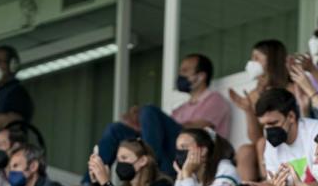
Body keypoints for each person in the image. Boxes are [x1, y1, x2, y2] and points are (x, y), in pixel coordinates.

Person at [93, 53, 231, 177]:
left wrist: (152, 120)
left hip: (190, 156)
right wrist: (138, 125)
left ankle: (149, 169)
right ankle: (91, 184)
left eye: (185, 71)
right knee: (116, 129)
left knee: (149, 111)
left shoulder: (215, 100)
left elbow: (197, 132)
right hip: (166, 157)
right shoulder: (181, 109)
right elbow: (158, 135)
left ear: (201, 76)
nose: (180, 75)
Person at [244, 88, 318, 186]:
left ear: (291, 116)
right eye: (264, 125)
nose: (268, 129)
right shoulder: (271, 146)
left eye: (273, 123)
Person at [228, 40, 293, 182]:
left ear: (272, 60)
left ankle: (268, 184)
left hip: (288, 139)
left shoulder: (291, 88)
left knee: (262, 143)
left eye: (257, 58)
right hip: (264, 145)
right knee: (245, 150)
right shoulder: (253, 94)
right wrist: (248, 110)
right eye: (252, 58)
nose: (252, 62)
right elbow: (254, 136)